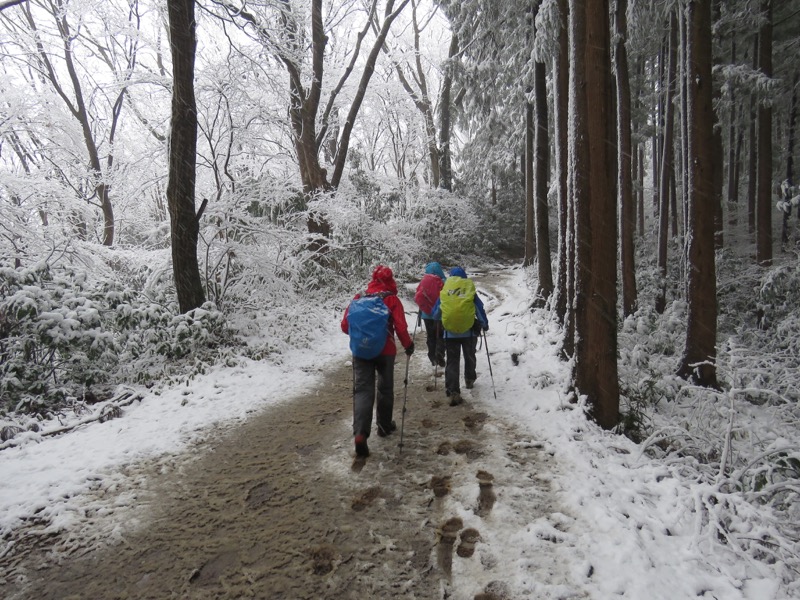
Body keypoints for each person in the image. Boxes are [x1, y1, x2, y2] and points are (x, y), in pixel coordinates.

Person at [341, 265, 414, 457]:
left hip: (361, 352)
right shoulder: (391, 299)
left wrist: (361, 336)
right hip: (385, 350)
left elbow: (344, 325)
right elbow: (400, 326)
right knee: (385, 388)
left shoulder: (359, 297)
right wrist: (408, 345)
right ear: (391, 280)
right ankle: (384, 425)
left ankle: (360, 434)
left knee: (363, 390)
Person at [432, 267, 488, 406]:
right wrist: (484, 324)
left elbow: (435, 313)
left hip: (450, 333)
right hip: (468, 332)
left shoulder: (445, 291)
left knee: (452, 361)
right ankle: (469, 379)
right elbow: (479, 309)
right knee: (469, 356)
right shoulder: (469, 290)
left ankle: (453, 392)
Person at [414, 261, 446, 368]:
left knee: (431, 336)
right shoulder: (443, 282)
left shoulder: (424, 281)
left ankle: (432, 357)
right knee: (440, 335)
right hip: (440, 314)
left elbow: (418, 295)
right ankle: (440, 353)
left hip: (426, 315)